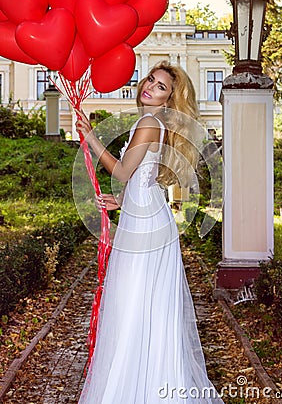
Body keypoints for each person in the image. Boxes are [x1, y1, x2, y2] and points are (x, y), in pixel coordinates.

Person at [76, 61, 224, 403]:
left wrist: (92, 138)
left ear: (170, 99)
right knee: (142, 305)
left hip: (146, 227)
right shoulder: (153, 123)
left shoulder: (147, 122)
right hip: (146, 218)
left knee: (132, 304)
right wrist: (124, 201)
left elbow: (125, 171)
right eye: (151, 80)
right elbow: (143, 177)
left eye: (161, 87)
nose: (150, 87)